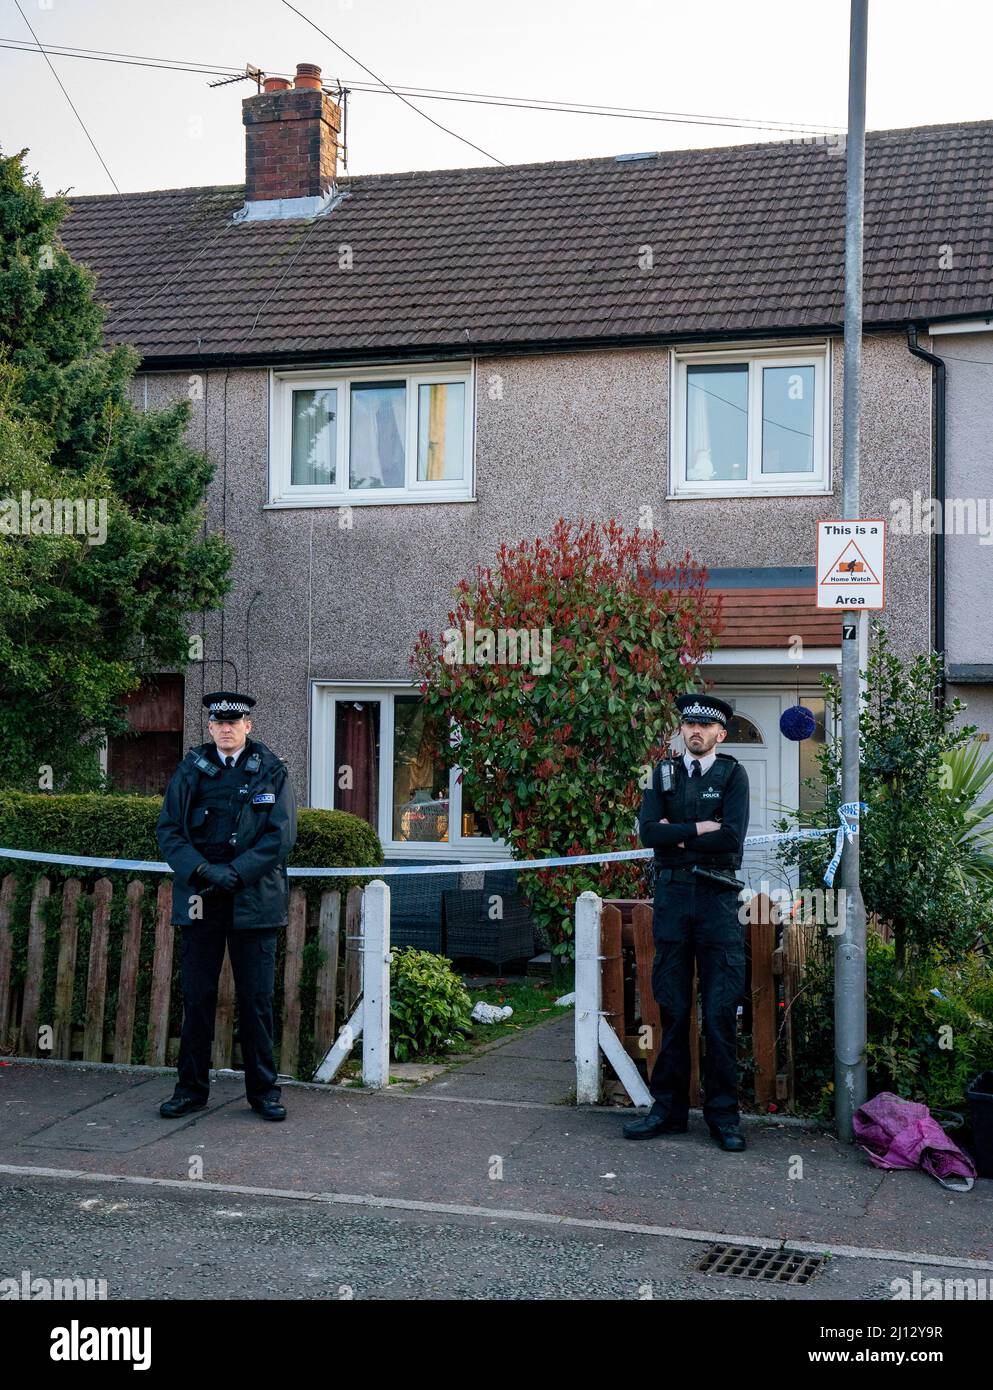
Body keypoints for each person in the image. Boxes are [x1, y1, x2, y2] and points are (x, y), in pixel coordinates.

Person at [156, 691, 297, 1122]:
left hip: (254, 903)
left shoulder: (271, 771)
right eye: (219, 721)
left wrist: (235, 873)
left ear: (248, 725)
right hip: (202, 901)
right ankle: (190, 1091)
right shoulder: (191, 770)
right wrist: (204, 871)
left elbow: (281, 837)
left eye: (235, 721)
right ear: (211, 726)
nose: (226, 727)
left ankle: (264, 1093)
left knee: (255, 1001)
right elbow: (169, 832)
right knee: (197, 998)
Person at [624, 693, 751, 1152]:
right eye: (688, 724)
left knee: (719, 1013)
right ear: (681, 730)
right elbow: (649, 834)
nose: (694, 731)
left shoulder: (734, 774)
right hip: (675, 897)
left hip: (717, 898)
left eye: (704, 726)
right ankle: (668, 1111)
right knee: (673, 1010)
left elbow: (732, 838)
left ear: (720, 733)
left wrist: (677, 834)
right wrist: (701, 829)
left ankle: (724, 1118)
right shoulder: (662, 774)